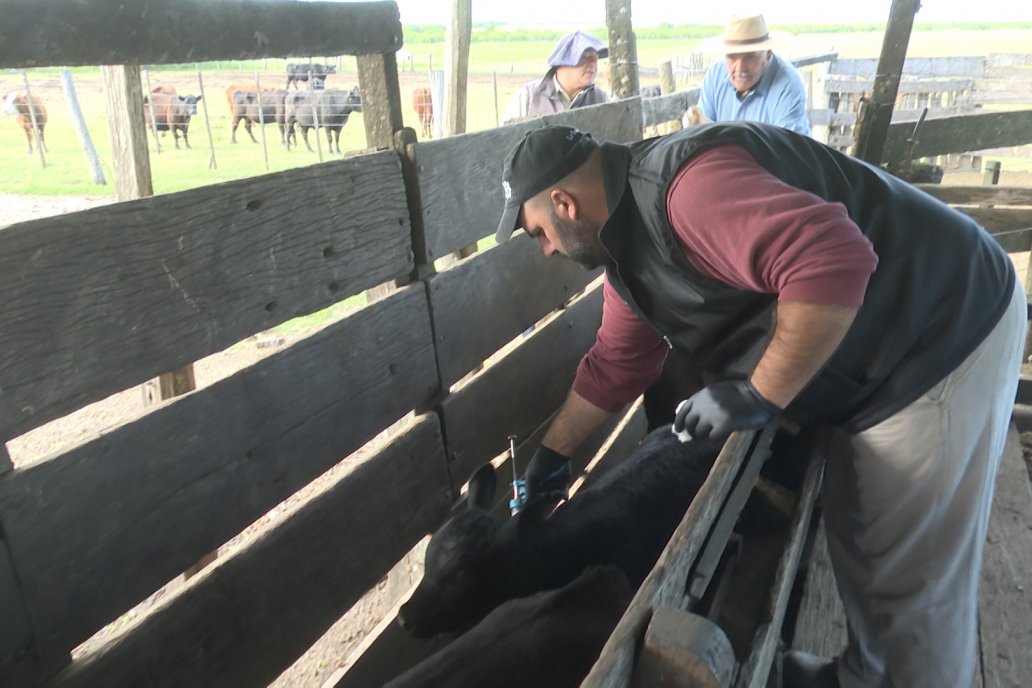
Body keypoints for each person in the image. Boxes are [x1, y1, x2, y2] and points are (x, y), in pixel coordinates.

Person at [494, 123, 1025, 688]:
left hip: (937, 333)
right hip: (878, 356)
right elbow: (617, 364)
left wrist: (759, 392)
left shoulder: (688, 192)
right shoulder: (628, 251)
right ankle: (864, 676)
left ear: (564, 203)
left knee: (914, 573)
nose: (546, 248)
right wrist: (553, 456)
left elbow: (833, 259)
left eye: (538, 233)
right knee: (865, 532)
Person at [697, 12, 811, 135]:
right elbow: (701, 132)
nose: (740, 68)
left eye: (749, 57)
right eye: (732, 57)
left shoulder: (788, 86)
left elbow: (784, 145)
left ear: (768, 53)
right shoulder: (715, 75)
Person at [501, 30, 609, 125]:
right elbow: (507, 137)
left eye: (596, 58)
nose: (593, 64)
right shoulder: (528, 97)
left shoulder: (602, 99)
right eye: (585, 57)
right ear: (562, 61)